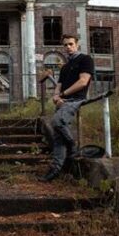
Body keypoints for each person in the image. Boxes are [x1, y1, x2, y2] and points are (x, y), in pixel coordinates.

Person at [38, 35, 94, 182]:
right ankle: (55, 170)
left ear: (77, 45)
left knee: (57, 122)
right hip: (63, 101)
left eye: (71, 44)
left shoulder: (85, 59)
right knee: (58, 139)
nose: (68, 47)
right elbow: (59, 84)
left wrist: (62, 94)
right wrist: (56, 96)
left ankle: (73, 146)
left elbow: (83, 82)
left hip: (76, 99)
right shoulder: (65, 66)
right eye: (65, 45)